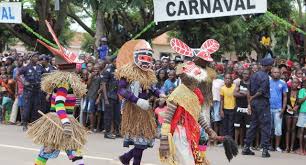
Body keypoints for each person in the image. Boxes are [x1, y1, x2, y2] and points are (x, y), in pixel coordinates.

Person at [26, 20, 87, 165]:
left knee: (72, 150)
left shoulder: (68, 81)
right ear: (70, 67)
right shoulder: (64, 83)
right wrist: (65, 123)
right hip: (61, 120)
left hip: (66, 120)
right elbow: (59, 103)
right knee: (49, 150)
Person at [159, 61, 238, 165]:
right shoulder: (177, 94)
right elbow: (167, 119)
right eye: (196, 78)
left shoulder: (195, 92)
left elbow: (198, 114)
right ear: (188, 79)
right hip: (179, 135)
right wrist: (164, 140)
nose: (198, 81)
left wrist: (209, 130)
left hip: (190, 133)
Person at [116, 40, 165, 165]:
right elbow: (121, 89)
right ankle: (129, 159)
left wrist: (160, 94)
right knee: (140, 141)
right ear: (136, 57)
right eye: (143, 58)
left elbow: (153, 88)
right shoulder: (128, 71)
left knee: (143, 141)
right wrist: (136, 100)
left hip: (145, 111)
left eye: (148, 58)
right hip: (133, 109)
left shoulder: (149, 74)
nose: (146, 61)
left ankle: (126, 157)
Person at [242, 57, 273, 158]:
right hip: (262, 103)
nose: (272, 67)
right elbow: (261, 91)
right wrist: (252, 98)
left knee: (253, 125)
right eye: (271, 65)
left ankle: (246, 147)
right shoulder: (265, 77)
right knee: (265, 125)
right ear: (267, 66)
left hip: (255, 103)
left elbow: (248, 90)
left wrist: (250, 101)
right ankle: (265, 150)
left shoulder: (254, 75)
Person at [17, 53, 45, 131]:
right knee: (27, 108)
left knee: (36, 109)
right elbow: (17, 75)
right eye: (35, 57)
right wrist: (23, 82)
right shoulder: (26, 68)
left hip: (37, 91)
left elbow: (46, 75)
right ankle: (25, 124)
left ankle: (33, 125)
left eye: (37, 57)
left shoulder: (40, 68)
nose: (36, 58)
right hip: (28, 91)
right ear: (31, 58)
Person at [269, 67, 288, 152]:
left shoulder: (283, 83)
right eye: (274, 72)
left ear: (280, 74)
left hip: (278, 110)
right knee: (269, 128)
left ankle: (277, 146)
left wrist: (283, 108)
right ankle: (269, 145)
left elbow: (285, 96)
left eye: (278, 72)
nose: (276, 74)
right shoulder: (268, 82)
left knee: (278, 129)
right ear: (271, 73)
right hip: (269, 108)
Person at [100, 57, 120, 138]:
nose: (117, 63)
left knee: (117, 116)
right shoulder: (108, 70)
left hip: (117, 97)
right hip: (109, 96)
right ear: (113, 62)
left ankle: (117, 131)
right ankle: (107, 133)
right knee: (108, 116)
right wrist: (105, 98)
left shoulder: (119, 69)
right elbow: (103, 84)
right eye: (115, 61)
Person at [233, 69, 251, 147]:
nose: (245, 75)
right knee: (237, 126)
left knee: (248, 127)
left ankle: (246, 144)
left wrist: (242, 92)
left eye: (247, 74)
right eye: (244, 73)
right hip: (239, 107)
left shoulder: (251, 84)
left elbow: (251, 96)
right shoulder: (239, 83)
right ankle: (236, 143)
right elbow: (234, 94)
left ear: (249, 74)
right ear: (242, 74)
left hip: (248, 107)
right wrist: (245, 94)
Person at [82, 65, 101, 132]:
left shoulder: (100, 77)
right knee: (84, 111)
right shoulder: (90, 77)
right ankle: (83, 127)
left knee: (91, 112)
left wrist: (98, 98)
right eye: (94, 70)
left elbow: (101, 89)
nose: (95, 71)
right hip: (87, 96)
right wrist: (90, 78)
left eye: (96, 69)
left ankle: (92, 128)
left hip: (94, 97)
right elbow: (87, 85)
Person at [285, 78, 299, 153]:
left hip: (296, 112)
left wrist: (298, 106)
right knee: (288, 130)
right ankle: (287, 147)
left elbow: (300, 101)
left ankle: (291, 147)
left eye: (296, 83)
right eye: (293, 82)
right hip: (288, 112)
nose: (294, 84)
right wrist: (287, 105)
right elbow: (284, 99)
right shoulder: (288, 91)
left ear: (298, 84)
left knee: (293, 130)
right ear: (291, 83)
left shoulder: (299, 91)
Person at [220, 73, 236, 137]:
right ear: (224, 79)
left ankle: (230, 141)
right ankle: (225, 141)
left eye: (229, 78)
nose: (227, 80)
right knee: (225, 126)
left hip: (233, 109)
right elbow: (221, 100)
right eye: (226, 78)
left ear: (231, 79)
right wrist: (221, 110)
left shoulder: (234, 86)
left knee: (231, 126)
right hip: (225, 109)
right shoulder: (222, 88)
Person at [296, 79, 306, 155]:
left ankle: (304, 149)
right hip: (302, 113)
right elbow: (299, 101)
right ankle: (301, 149)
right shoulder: (302, 90)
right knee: (301, 131)